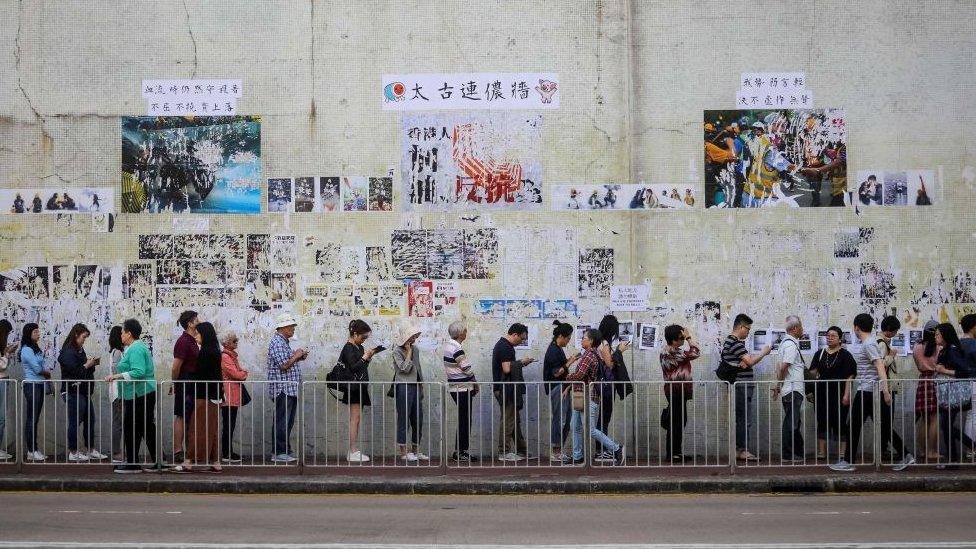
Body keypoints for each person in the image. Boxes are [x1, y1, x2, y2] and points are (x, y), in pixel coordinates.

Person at [830, 314, 914, 472]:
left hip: (870, 392)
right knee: (874, 426)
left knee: (860, 426)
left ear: (856, 327)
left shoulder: (869, 343)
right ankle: (906, 455)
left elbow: (879, 366)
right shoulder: (867, 342)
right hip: (868, 391)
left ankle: (848, 461)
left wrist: (886, 392)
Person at [104, 319, 158, 473]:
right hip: (138, 394)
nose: (120, 335)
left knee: (132, 427)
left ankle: (133, 463)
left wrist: (116, 376)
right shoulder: (135, 348)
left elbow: (138, 372)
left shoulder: (135, 349)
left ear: (129, 333)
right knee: (144, 427)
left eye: (122, 332)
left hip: (139, 393)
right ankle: (156, 461)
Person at [567, 328, 625, 465]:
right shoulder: (590, 354)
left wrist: (566, 377)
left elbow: (579, 375)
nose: (582, 340)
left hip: (588, 397)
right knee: (574, 426)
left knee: (590, 430)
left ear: (591, 341)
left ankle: (617, 448)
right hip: (581, 397)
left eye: (584, 338)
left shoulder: (588, 355)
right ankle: (577, 456)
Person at [722, 314, 771, 461]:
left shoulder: (731, 342)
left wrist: (746, 362)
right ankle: (742, 450)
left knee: (741, 419)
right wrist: (763, 352)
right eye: (748, 329)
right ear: (741, 327)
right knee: (744, 419)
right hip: (741, 386)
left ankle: (739, 449)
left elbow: (745, 362)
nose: (748, 332)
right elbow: (749, 361)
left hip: (741, 386)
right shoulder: (735, 342)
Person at [177, 322, 223, 473]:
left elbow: (200, 374)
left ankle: (189, 460)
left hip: (203, 394)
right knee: (213, 428)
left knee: (196, 427)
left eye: (198, 333)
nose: (196, 336)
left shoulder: (204, 352)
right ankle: (215, 461)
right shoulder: (215, 351)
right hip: (214, 394)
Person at [58, 323, 106, 462]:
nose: (84, 340)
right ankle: (73, 452)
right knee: (74, 422)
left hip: (83, 391)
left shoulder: (79, 350)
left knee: (90, 420)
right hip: (73, 391)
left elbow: (83, 369)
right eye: (83, 337)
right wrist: (88, 364)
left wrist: (91, 364)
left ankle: (90, 449)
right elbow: (75, 372)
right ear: (76, 335)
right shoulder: (67, 352)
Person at [808, 326, 856, 461]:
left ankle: (842, 453)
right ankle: (822, 452)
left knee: (840, 421)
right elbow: (812, 374)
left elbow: (850, 376)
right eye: (828, 336)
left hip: (839, 393)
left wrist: (846, 395)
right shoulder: (820, 353)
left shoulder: (846, 355)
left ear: (840, 339)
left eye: (833, 336)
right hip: (822, 393)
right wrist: (809, 390)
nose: (829, 338)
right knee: (822, 420)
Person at [266, 313, 308, 464]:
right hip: (282, 388)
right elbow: (284, 365)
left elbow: (287, 362)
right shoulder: (277, 342)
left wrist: (299, 356)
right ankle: (278, 452)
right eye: (291, 326)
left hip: (289, 388)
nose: (293, 329)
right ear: (283, 327)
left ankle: (285, 450)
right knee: (282, 421)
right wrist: (296, 355)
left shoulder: (283, 342)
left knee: (287, 421)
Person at [492, 323, 535, 462]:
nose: (521, 342)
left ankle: (521, 451)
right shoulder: (505, 347)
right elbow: (506, 369)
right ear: (515, 334)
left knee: (514, 420)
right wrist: (522, 362)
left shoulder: (504, 345)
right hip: (506, 389)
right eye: (521, 339)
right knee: (508, 420)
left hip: (506, 388)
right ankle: (504, 452)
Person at [934, 323, 975, 465]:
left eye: (938, 334)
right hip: (948, 394)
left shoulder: (952, 350)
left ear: (945, 335)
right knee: (946, 426)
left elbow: (965, 371)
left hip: (953, 393)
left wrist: (944, 371)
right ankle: (954, 459)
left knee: (946, 426)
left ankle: (954, 459)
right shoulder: (945, 350)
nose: (935, 337)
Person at [339, 319, 379, 463]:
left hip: (360, 386)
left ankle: (354, 450)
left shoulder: (358, 347)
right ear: (354, 334)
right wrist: (364, 358)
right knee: (354, 419)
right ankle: (353, 450)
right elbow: (353, 368)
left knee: (356, 419)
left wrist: (368, 358)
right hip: (353, 387)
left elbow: (361, 368)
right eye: (362, 337)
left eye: (366, 338)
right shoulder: (348, 347)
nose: (363, 340)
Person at [659, 324, 700, 461]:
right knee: (675, 422)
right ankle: (672, 454)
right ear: (673, 339)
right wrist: (689, 337)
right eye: (680, 338)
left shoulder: (675, 350)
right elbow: (695, 352)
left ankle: (676, 452)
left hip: (679, 390)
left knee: (680, 421)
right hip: (675, 390)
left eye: (683, 338)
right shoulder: (670, 352)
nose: (683, 340)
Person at [592, 315, 629, 463]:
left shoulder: (597, 342)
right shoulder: (604, 343)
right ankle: (602, 451)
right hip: (606, 386)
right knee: (604, 418)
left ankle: (601, 450)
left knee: (602, 418)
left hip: (600, 386)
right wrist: (620, 351)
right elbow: (610, 364)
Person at [773, 316, 806, 463]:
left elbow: (782, 367)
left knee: (794, 422)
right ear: (794, 329)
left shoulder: (786, 344)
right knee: (791, 423)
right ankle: (788, 455)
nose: (802, 329)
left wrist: (779, 385)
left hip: (790, 389)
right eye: (800, 327)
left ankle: (798, 452)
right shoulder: (791, 345)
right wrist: (777, 385)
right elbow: (784, 366)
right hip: (793, 389)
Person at [544, 322, 578, 463]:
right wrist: (570, 361)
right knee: (560, 419)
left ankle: (559, 450)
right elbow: (557, 373)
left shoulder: (558, 349)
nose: (569, 341)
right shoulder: (553, 350)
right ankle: (556, 451)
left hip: (563, 387)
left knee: (566, 420)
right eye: (568, 338)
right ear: (561, 336)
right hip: (557, 387)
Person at [443, 321, 477, 463]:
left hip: (455, 387)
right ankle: (461, 451)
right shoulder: (457, 348)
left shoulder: (449, 346)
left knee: (463, 418)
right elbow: (466, 368)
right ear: (460, 333)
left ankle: (460, 450)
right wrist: (475, 382)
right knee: (465, 419)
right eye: (465, 330)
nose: (466, 332)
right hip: (462, 387)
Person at [392, 325, 426, 462]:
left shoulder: (415, 349)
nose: (414, 338)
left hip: (416, 386)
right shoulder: (397, 351)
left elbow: (418, 368)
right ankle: (404, 452)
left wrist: (421, 384)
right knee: (403, 418)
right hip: (403, 386)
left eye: (415, 335)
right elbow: (404, 369)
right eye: (412, 336)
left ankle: (416, 450)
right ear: (406, 337)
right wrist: (408, 352)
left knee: (418, 418)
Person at [171, 310, 200, 464]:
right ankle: (177, 451)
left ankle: (189, 450)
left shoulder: (193, 340)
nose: (199, 322)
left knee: (189, 416)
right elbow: (176, 367)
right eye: (197, 319)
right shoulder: (183, 341)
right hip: (185, 382)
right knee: (181, 415)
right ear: (190, 323)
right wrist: (175, 384)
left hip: (191, 382)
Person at [877, 316, 908, 461]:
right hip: (886, 387)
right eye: (895, 331)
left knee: (886, 421)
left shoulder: (883, 342)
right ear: (889, 330)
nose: (895, 334)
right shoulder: (882, 343)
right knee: (886, 420)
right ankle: (892, 451)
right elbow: (881, 365)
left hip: (886, 387)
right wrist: (891, 355)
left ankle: (885, 449)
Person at [21, 323, 51, 461]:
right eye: (35, 332)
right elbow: (37, 369)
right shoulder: (26, 350)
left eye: (38, 331)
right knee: (32, 419)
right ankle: (31, 450)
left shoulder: (35, 348)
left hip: (38, 385)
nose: (38, 334)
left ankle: (34, 449)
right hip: (32, 385)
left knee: (35, 418)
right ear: (28, 334)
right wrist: (46, 373)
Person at [912, 320, 941, 462]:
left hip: (923, 380)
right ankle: (932, 451)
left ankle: (922, 451)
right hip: (935, 380)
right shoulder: (939, 347)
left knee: (924, 419)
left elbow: (918, 366)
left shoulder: (917, 346)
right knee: (935, 419)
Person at [219, 331, 248, 464]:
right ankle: (226, 453)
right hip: (228, 394)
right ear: (226, 343)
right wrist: (245, 372)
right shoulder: (226, 357)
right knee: (228, 424)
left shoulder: (231, 356)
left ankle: (228, 451)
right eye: (233, 340)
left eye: (236, 340)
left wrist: (241, 373)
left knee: (230, 424)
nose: (236, 342)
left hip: (232, 394)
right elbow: (236, 374)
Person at [108, 326, 125, 463]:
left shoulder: (115, 351)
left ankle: (117, 451)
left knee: (118, 421)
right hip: (118, 391)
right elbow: (116, 369)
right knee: (118, 421)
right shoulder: (118, 352)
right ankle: (116, 452)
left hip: (117, 390)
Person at [0, 319, 15, 460]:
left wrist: (6, 353)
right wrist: (6, 354)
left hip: (4, 380)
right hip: (1, 380)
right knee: (1, 417)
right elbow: (1, 366)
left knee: (2, 417)